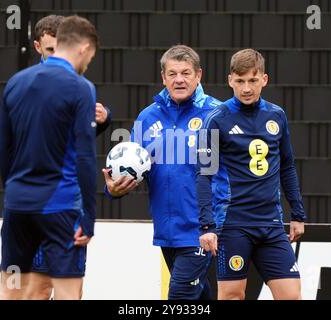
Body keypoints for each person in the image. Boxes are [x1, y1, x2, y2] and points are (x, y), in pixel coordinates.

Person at [103, 45, 228, 299]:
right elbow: (134, 168)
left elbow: (233, 172)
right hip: (167, 232)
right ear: (163, 77)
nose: (179, 79)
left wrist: (217, 222)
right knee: (199, 298)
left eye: (185, 73)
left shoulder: (217, 114)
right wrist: (113, 189)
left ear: (198, 75)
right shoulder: (147, 117)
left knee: (180, 296)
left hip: (202, 229)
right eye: (172, 74)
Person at [0, 15, 99, 300]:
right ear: (83, 48)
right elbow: (85, 158)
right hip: (60, 206)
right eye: (90, 56)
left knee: (11, 288)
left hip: (17, 206)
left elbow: (3, 150)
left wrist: (14, 191)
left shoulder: (16, 82)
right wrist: (88, 218)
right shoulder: (81, 88)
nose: (88, 63)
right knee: (68, 291)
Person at [197, 48, 306, 300]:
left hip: (271, 224)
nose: (246, 88)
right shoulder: (215, 120)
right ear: (230, 81)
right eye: (240, 81)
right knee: (233, 296)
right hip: (233, 224)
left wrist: (298, 213)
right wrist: (206, 226)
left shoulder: (277, 116)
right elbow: (204, 174)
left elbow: (287, 166)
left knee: (291, 296)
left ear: (264, 80)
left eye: (253, 81)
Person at [25, 14, 111, 300]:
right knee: (38, 288)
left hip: (68, 203)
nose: (58, 56)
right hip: (38, 203)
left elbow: (74, 146)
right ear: (38, 47)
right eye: (50, 50)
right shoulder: (29, 86)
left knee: (71, 290)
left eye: (61, 48)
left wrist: (102, 122)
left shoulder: (80, 84)